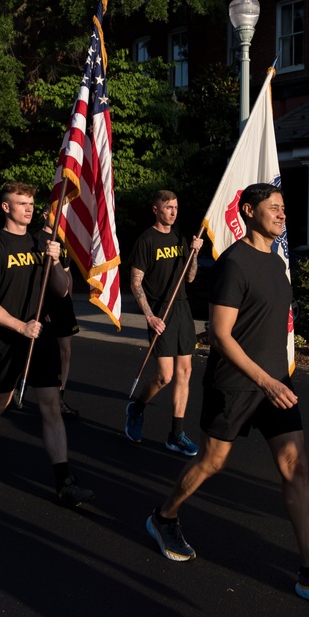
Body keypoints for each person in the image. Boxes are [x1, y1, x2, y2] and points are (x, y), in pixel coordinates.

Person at [145, 183, 309, 608]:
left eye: (285, 207)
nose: (283, 214)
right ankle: (163, 516)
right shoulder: (234, 263)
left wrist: (278, 376)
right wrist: (265, 381)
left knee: (296, 468)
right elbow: (221, 336)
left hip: (277, 383)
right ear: (248, 210)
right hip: (238, 383)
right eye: (274, 207)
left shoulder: (277, 262)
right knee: (213, 461)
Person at [0, 181, 94, 508]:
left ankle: (64, 481)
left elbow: (63, 290)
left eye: (30, 203)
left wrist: (57, 260)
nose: (28, 208)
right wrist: (20, 326)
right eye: (21, 203)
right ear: (6, 207)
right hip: (10, 336)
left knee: (50, 405)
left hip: (41, 334)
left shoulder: (42, 241)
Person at [126, 190, 203, 456]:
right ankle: (137, 408)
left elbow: (190, 277)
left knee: (184, 373)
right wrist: (149, 315)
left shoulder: (180, 239)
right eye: (168, 207)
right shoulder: (146, 240)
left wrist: (193, 253)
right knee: (164, 376)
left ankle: (176, 434)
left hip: (182, 309)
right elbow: (135, 281)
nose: (173, 211)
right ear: (156, 209)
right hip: (159, 310)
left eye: (176, 207)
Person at [38, 207, 80, 418]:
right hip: (44, 306)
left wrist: (69, 300)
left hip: (63, 305)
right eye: (54, 213)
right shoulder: (36, 240)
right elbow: (35, 278)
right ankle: (19, 383)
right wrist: (42, 308)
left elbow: (66, 272)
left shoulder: (64, 241)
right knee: (42, 352)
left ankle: (60, 397)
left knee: (66, 351)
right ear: (45, 215)